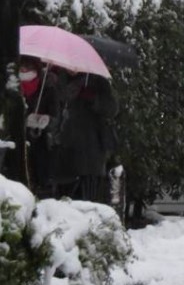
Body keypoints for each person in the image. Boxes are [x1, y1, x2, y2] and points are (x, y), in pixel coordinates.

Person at [54, 72, 118, 202]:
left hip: (90, 150)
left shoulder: (97, 80)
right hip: (64, 149)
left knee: (87, 198)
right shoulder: (58, 78)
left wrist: (94, 98)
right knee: (63, 197)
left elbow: (112, 109)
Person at [20, 58, 59, 196]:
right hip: (17, 140)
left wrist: (46, 120)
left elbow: (56, 116)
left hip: (39, 142)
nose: (24, 70)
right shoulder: (12, 86)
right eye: (22, 66)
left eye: (28, 67)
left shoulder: (47, 87)